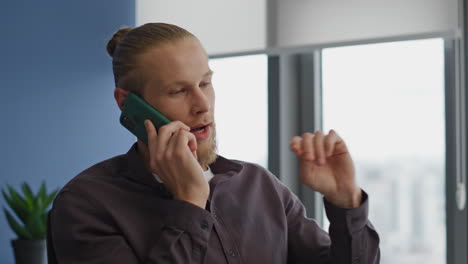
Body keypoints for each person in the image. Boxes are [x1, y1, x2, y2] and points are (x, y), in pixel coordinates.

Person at [48, 23, 380, 263]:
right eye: (178, 91)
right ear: (127, 104)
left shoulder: (259, 186)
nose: (202, 104)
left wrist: (345, 202)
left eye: (205, 83)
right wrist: (190, 204)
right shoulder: (85, 206)